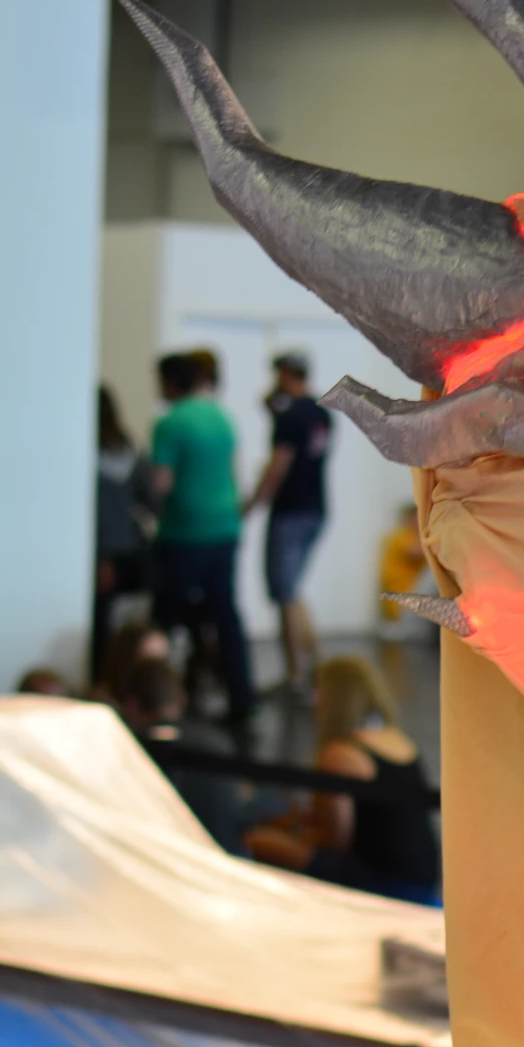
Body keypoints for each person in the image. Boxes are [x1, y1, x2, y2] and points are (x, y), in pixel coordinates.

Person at [246, 654, 438, 903]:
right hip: (422, 878)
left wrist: (291, 831)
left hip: (383, 882)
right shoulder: (395, 737)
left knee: (256, 840)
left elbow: (334, 840)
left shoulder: (340, 754)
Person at [148, 351, 255, 727]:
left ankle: (152, 697)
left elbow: (162, 482)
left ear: (171, 383)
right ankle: (241, 698)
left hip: (184, 530)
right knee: (225, 615)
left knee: (165, 616)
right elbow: (232, 472)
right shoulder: (221, 417)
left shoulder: (170, 423)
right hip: (224, 528)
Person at [245, 351, 332, 695]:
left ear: (284, 374)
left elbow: (278, 465)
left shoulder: (290, 416)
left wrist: (253, 503)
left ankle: (297, 674)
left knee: (285, 593)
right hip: (315, 508)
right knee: (292, 591)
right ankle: (313, 667)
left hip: (290, 511)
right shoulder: (320, 412)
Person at [119, 656, 244, 853]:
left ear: (131, 706)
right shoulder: (220, 742)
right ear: (181, 699)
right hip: (230, 865)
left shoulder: (129, 754)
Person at [91, 386, 155, 682]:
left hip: (105, 553)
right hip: (134, 549)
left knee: (100, 625)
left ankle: (102, 678)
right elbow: (151, 499)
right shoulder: (129, 449)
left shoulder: (87, 455)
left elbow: (100, 514)